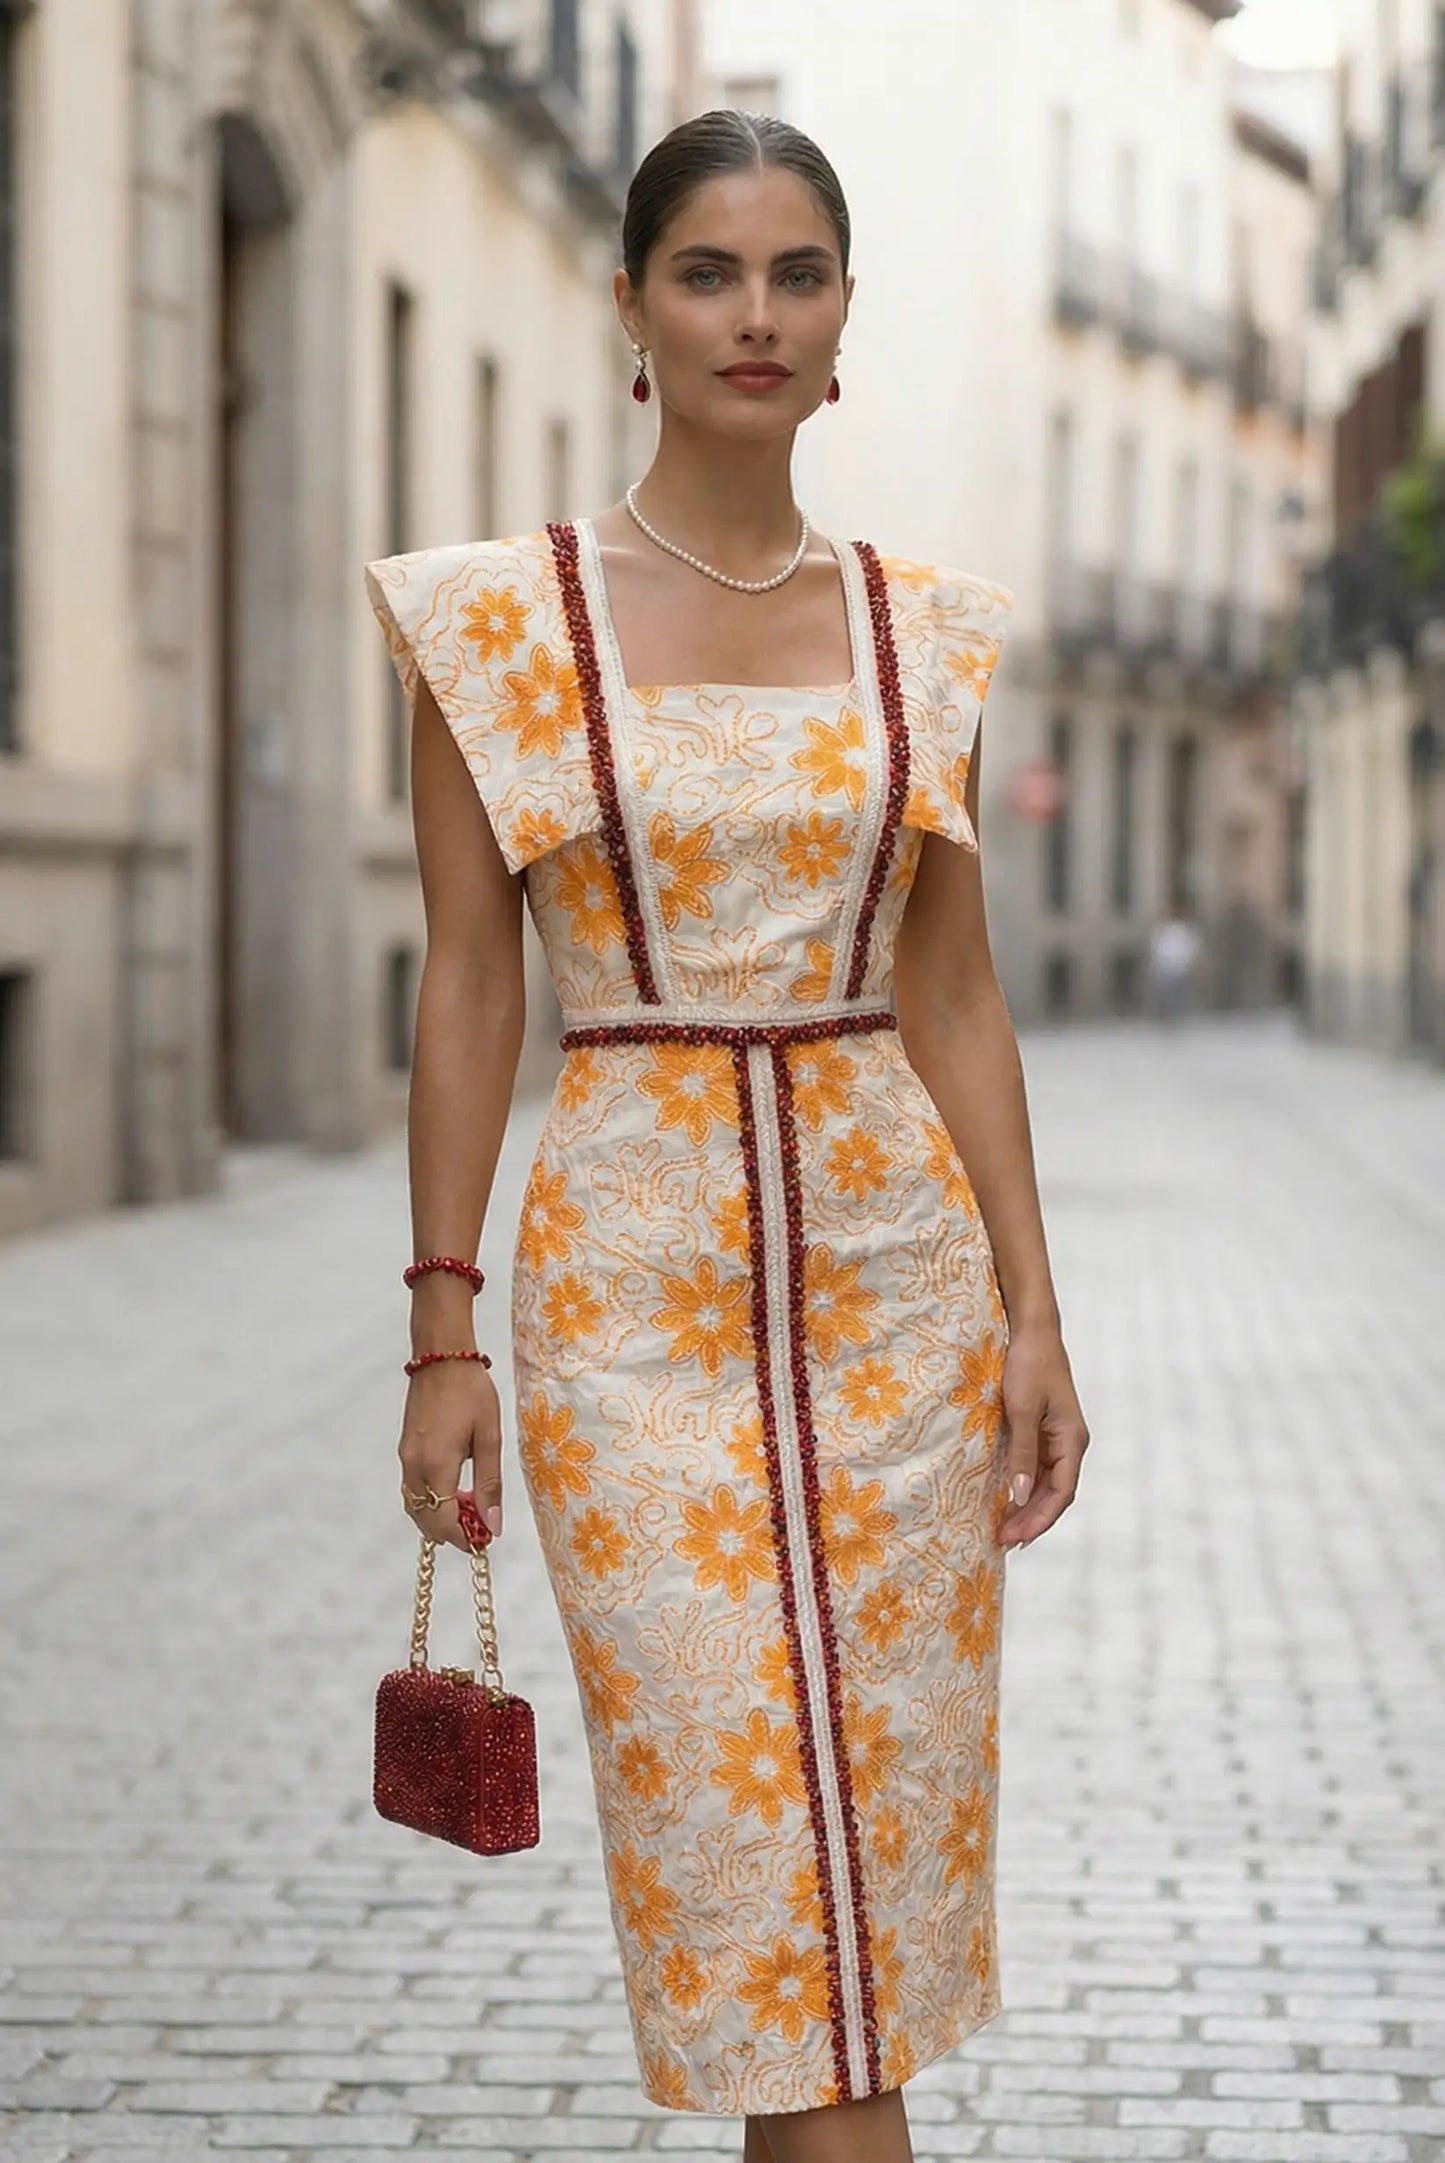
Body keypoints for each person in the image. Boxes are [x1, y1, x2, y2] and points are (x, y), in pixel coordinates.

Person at [365, 108, 1090, 2163]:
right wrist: (441, 1333)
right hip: (631, 1318)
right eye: (707, 273)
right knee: (747, 1878)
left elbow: (955, 991)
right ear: (632, 309)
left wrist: (1034, 1311)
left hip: (898, 1314)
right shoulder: (494, 627)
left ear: (844, 318)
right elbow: (470, 986)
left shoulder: (926, 633)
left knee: (866, 1926)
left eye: (795, 275)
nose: (753, 315)